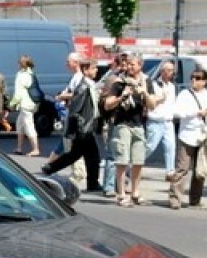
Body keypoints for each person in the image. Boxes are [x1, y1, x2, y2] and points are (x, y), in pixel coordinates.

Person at [101, 53, 156, 205]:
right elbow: (107, 104)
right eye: (128, 64)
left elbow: (152, 105)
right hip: (122, 124)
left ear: (140, 65)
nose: (130, 67)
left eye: (133, 64)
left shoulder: (146, 81)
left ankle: (136, 193)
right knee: (122, 160)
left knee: (138, 161)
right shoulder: (120, 82)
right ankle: (121, 194)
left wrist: (144, 92)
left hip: (139, 124)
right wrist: (122, 97)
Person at [41, 58, 101, 191]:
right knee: (91, 156)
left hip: (87, 127)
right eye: (94, 68)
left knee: (77, 154)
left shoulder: (90, 85)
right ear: (85, 70)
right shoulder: (83, 87)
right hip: (84, 128)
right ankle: (92, 183)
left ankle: (50, 168)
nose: (96, 70)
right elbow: (75, 109)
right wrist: (79, 127)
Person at [170, 68, 207, 209]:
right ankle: (175, 199)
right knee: (182, 168)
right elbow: (176, 112)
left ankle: (195, 199)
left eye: (198, 78)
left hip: (203, 135)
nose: (194, 80)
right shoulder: (184, 94)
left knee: (200, 169)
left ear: (205, 81)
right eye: (192, 77)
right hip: (187, 135)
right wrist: (196, 113)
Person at [145, 58, 178, 176]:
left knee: (171, 148)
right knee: (149, 147)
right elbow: (150, 102)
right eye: (168, 70)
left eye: (172, 70)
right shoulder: (153, 85)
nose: (170, 73)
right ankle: (132, 166)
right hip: (155, 121)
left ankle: (170, 171)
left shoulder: (172, 86)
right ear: (162, 71)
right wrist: (160, 99)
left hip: (168, 121)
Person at [9, 55, 42, 156]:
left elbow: (18, 93)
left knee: (29, 126)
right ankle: (19, 148)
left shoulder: (21, 75)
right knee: (20, 124)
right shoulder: (31, 73)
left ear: (21, 63)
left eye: (19, 62)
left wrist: (11, 104)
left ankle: (36, 149)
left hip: (25, 104)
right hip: (32, 103)